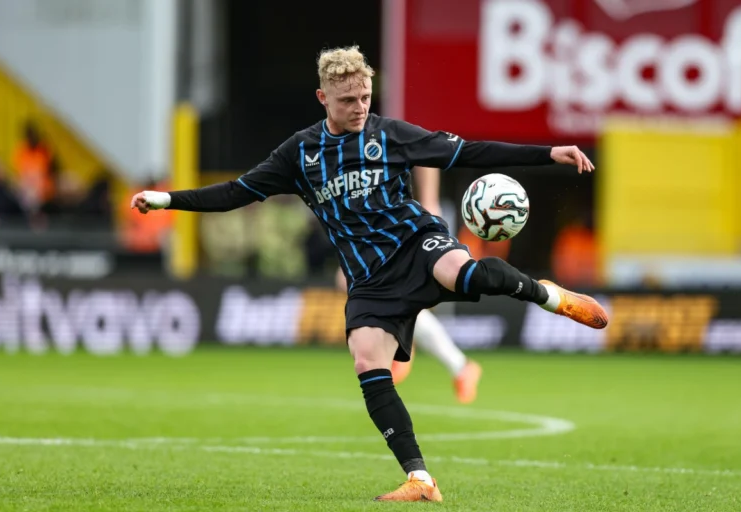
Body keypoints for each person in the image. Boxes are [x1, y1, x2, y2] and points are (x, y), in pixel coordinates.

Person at [131, 46, 607, 502]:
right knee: (367, 363)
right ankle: (420, 479)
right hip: (369, 280)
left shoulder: (390, 135)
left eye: (365, 97)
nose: (359, 107)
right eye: (347, 100)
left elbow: (471, 153)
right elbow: (237, 192)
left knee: (461, 272)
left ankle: (547, 296)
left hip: (416, 243)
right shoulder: (301, 154)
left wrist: (547, 154)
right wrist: (168, 200)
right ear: (323, 99)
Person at [334, 165, 483, 405]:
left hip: (400, 216)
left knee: (371, 282)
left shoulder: (385, 131)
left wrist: (430, 201)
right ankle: (443, 357)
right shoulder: (344, 139)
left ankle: (404, 340)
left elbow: (424, 155)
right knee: (349, 281)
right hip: (367, 218)